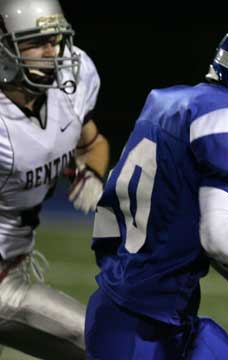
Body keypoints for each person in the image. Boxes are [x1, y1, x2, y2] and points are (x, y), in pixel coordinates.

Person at [85, 20, 228, 360]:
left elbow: (192, 226)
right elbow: (219, 238)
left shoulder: (169, 102)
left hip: (142, 315)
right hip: (140, 333)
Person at [0, 0, 109, 359]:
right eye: (36, 42)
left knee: (109, 345)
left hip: (10, 278)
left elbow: (92, 142)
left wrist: (92, 172)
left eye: (56, 39)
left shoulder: (70, 84)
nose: (53, 52)